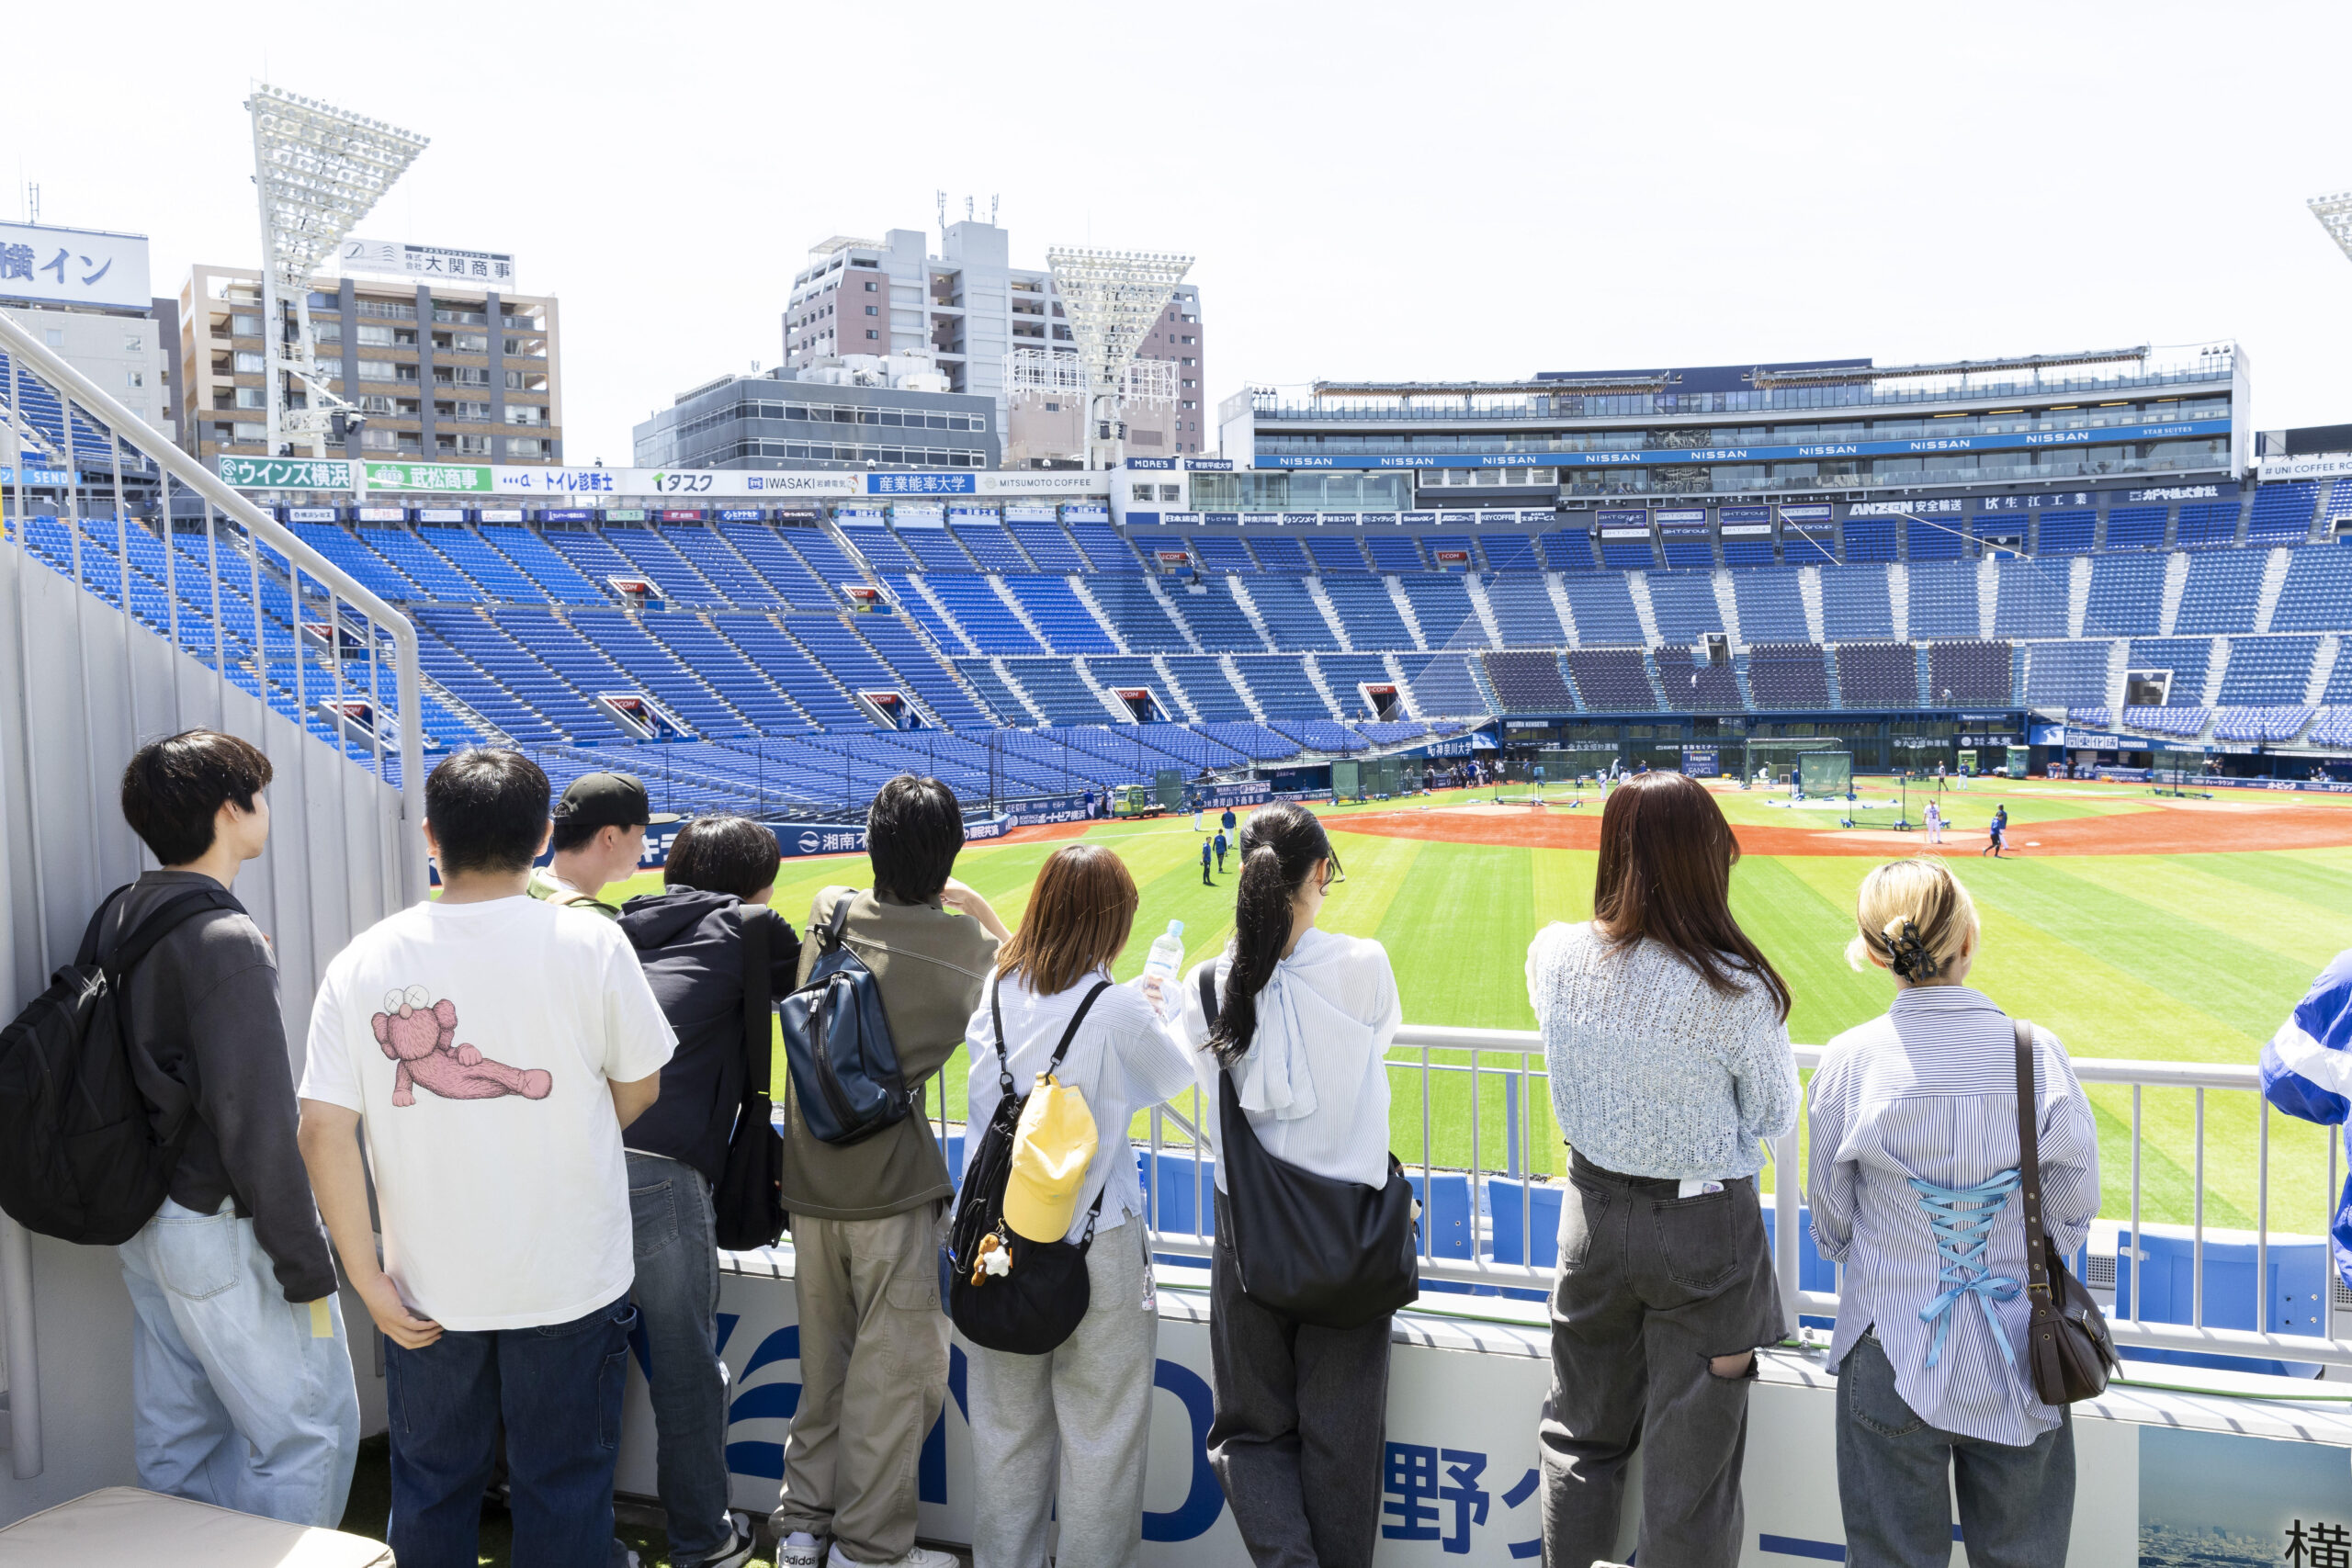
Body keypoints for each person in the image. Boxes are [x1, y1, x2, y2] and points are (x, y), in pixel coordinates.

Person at [298, 749, 676, 1568]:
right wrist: (563, 1128)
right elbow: (641, 1085)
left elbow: (322, 1129)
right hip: (570, 1274)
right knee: (564, 1491)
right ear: (543, 837)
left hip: (425, 1286)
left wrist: (364, 1276)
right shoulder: (590, 942)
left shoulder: (365, 959)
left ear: (430, 836)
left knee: (432, 1490)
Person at [1522, 771, 1798, 1568]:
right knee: (1691, 1473)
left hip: (1590, 1216)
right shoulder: (1735, 987)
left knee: (1579, 1437)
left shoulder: (1555, 954)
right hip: (1704, 1229)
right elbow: (1773, 1114)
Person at [1809, 858, 2096, 1568]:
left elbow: (1831, 1222)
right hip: (2023, 1347)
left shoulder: (1850, 1061)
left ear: (1877, 952)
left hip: (1889, 1344)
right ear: (1968, 939)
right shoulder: (2038, 1053)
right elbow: (2071, 1207)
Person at [108, 730, 359, 1527]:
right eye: (260, 794)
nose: (265, 809)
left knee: (177, 1445)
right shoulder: (222, 937)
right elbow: (258, 1120)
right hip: (219, 1224)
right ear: (230, 809)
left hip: (149, 1220)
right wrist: (306, 1261)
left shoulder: (125, 913)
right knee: (308, 1433)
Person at [772, 775, 1008, 1568]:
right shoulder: (963, 950)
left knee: (824, 1369)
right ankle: (870, 1550)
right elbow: (1026, 972)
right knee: (892, 1379)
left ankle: (803, 1528)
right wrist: (973, 906)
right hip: (891, 1190)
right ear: (949, 854)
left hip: (809, 1183)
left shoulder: (828, 910)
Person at [1171, 801, 1402, 1568]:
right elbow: (1377, 1042)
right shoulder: (1365, 965)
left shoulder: (1209, 984)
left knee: (1250, 1430)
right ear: (1317, 873)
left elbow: (1196, 1067)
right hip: (1350, 1229)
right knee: (1344, 1438)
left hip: (1250, 1232)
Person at [960, 846, 1195, 1568]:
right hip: (1097, 1239)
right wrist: (1164, 1005)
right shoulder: (1115, 1006)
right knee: (1103, 1439)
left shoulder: (996, 986)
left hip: (996, 1237)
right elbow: (1174, 1073)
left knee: (1006, 1435)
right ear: (1109, 922)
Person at [615, 816, 805, 1568]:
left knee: (580, 1357)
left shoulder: (619, 925)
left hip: (580, 1159)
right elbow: (830, 987)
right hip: (664, 1168)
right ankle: (703, 1537)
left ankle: (578, 1535)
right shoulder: (749, 927)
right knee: (687, 1366)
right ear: (756, 882)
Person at [529, 771, 680, 918]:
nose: (643, 848)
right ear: (610, 837)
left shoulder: (521, 888)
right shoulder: (599, 924)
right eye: (641, 835)